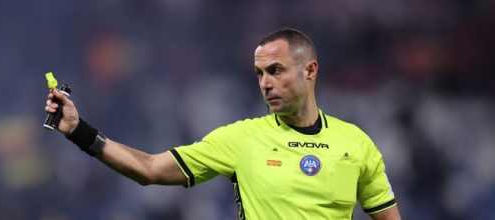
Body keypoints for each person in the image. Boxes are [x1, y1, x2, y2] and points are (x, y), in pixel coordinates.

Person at [45, 28, 401, 220]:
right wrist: (80, 132)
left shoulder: (355, 143)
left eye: (275, 71)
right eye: (259, 74)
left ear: (309, 71)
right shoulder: (242, 139)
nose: (265, 83)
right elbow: (150, 169)